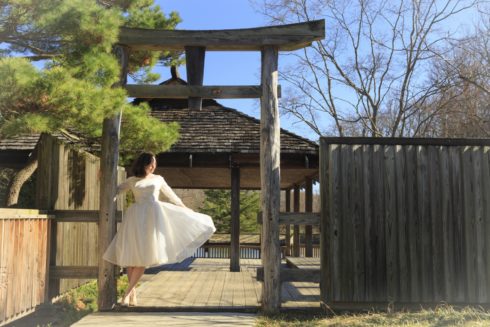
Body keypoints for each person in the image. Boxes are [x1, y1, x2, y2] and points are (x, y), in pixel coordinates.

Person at [103, 152, 216, 306]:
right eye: (151, 163)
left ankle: (126, 294)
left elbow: (171, 196)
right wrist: (102, 177)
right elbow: (115, 190)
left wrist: (185, 208)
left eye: (155, 163)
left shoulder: (158, 179)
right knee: (132, 258)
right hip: (135, 217)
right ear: (144, 164)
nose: (154, 166)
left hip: (152, 217)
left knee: (143, 256)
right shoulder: (132, 180)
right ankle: (133, 294)